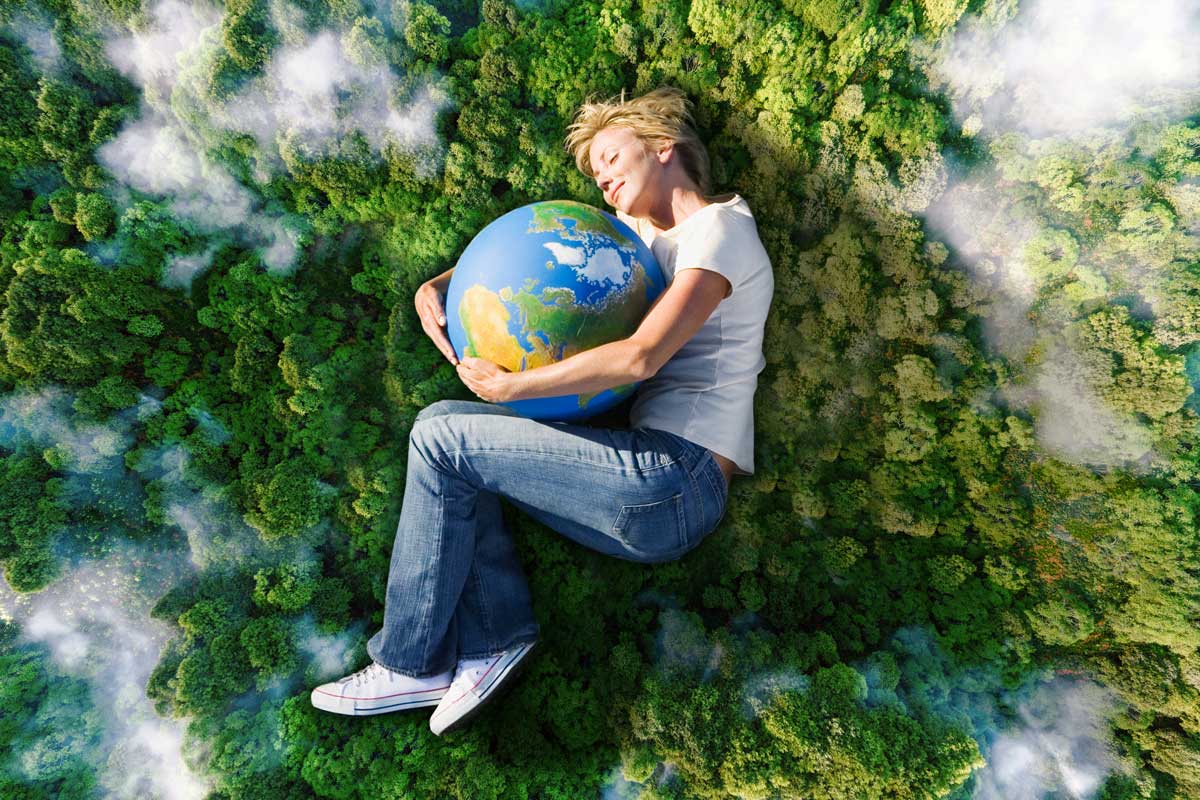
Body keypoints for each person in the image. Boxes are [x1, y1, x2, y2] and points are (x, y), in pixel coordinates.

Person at [310, 86, 774, 735]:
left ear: (664, 145)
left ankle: (413, 662)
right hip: (645, 485)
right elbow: (531, 253)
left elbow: (641, 356)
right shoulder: (643, 239)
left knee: (443, 437)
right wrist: (437, 285)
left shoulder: (720, 231)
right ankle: (492, 640)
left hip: (677, 480)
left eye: (611, 157)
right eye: (594, 172)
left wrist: (510, 390)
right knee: (449, 442)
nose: (602, 178)